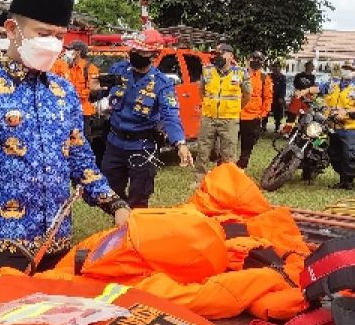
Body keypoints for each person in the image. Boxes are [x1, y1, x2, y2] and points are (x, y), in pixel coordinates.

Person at [0, 0, 130, 274]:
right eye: (43, 33)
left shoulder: (63, 92)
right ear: (12, 29)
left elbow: (80, 159)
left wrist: (115, 203)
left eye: (59, 37)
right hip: (0, 244)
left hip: (57, 241)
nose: (53, 44)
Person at [98, 29, 193, 208]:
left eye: (140, 52)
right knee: (108, 194)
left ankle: (134, 229)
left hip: (141, 147)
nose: (134, 54)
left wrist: (180, 144)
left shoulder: (162, 84)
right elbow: (98, 90)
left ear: (153, 55)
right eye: (133, 50)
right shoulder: (119, 70)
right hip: (114, 143)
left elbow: (170, 116)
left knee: (139, 198)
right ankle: (121, 222)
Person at [195, 43, 250, 179]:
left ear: (231, 56)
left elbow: (247, 95)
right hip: (209, 117)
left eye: (222, 53)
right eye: (216, 53)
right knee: (203, 149)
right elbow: (201, 90)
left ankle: (226, 181)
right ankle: (199, 179)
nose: (218, 56)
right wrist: (209, 105)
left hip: (229, 119)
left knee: (229, 153)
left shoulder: (241, 73)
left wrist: (236, 108)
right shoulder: (207, 70)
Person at [317, 60, 355, 189]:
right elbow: (319, 88)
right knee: (334, 154)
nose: (346, 70)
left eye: (350, 68)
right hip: (333, 126)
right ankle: (342, 179)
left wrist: (346, 111)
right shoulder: (333, 83)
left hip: (349, 127)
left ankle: (348, 181)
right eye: (344, 67)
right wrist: (305, 90)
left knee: (350, 155)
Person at [52, 40, 103, 161]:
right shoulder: (68, 67)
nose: (67, 52)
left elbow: (91, 91)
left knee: (83, 140)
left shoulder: (90, 69)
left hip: (83, 111)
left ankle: (85, 163)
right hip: (68, 111)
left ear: (78, 52)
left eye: (70, 49)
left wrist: (71, 93)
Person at [237, 51, 272, 168]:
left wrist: (262, 115)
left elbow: (268, 98)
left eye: (259, 59)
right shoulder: (239, 74)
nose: (256, 61)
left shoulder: (264, 78)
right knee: (228, 144)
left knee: (247, 147)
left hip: (252, 117)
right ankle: (225, 168)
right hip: (235, 115)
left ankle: (241, 168)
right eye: (254, 58)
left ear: (262, 62)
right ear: (249, 59)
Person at [266, 59, 288, 133]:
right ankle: (263, 125)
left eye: (277, 66)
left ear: (280, 68)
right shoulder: (269, 76)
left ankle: (277, 126)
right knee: (266, 111)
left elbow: (283, 88)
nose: (276, 68)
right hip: (269, 96)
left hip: (278, 96)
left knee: (278, 112)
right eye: (274, 66)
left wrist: (281, 97)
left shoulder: (283, 77)